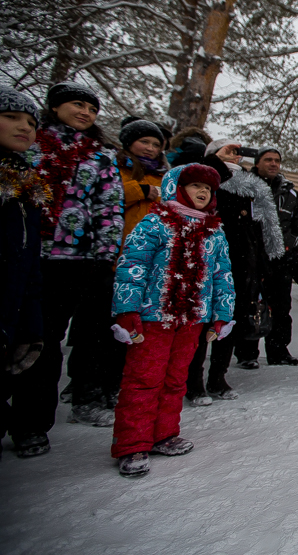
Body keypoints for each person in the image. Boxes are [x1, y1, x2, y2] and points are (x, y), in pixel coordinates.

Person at [11, 82, 124, 452]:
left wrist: (105, 256)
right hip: (31, 256)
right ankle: (19, 420)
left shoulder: (99, 156)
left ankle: (43, 419)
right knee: (25, 338)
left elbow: (109, 209)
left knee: (69, 339)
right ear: (55, 107)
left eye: (92, 109)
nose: (86, 113)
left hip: (81, 261)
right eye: (78, 105)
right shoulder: (30, 147)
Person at [110, 164, 235, 477]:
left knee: (176, 377)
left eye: (208, 189)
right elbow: (132, 267)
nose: (203, 192)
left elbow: (223, 276)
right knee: (144, 378)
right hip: (154, 317)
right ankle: (133, 443)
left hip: (192, 318)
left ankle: (164, 433)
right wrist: (127, 310)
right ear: (176, 188)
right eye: (195, 186)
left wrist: (222, 314)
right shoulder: (155, 222)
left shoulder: (215, 231)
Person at [186, 139, 283, 404]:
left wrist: (263, 266)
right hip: (207, 259)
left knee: (227, 321)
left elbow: (260, 229)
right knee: (202, 322)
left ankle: (218, 377)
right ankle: (193, 381)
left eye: (238, 153)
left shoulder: (251, 186)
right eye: (228, 153)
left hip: (242, 263)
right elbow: (200, 181)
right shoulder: (204, 179)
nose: (235, 157)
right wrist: (216, 160)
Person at [0, 87, 48, 458]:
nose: (24, 127)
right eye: (11, 117)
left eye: (31, 122)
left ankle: (27, 425)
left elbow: (29, 248)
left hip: (19, 290)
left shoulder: (27, 182)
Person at [248, 146, 298, 365]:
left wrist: (292, 246)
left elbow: (297, 224)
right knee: (252, 303)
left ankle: (278, 350)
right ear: (257, 162)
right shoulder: (246, 187)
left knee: (282, 307)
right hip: (252, 256)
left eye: (277, 160)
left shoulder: (289, 191)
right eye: (268, 159)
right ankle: (248, 354)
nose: (273, 164)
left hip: (281, 258)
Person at [116, 117, 168, 241]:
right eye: (144, 142)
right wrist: (140, 191)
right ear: (129, 142)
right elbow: (109, 198)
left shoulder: (162, 176)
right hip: (120, 238)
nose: (150, 148)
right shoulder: (116, 168)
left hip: (151, 242)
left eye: (156, 145)